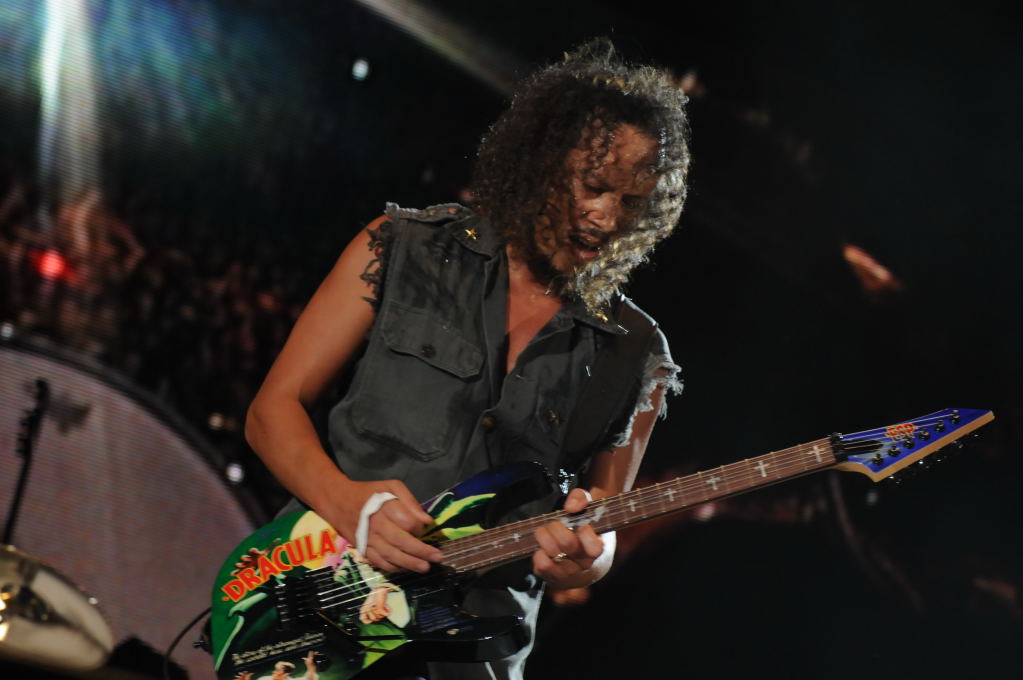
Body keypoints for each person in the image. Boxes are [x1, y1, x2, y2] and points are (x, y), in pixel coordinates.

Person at [245, 40, 690, 679]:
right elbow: (272, 411)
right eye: (593, 186)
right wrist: (349, 506)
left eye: (632, 203)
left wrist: (584, 559)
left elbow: (602, 522)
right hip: (319, 614)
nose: (605, 217)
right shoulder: (402, 246)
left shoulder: (637, 353)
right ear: (540, 161)